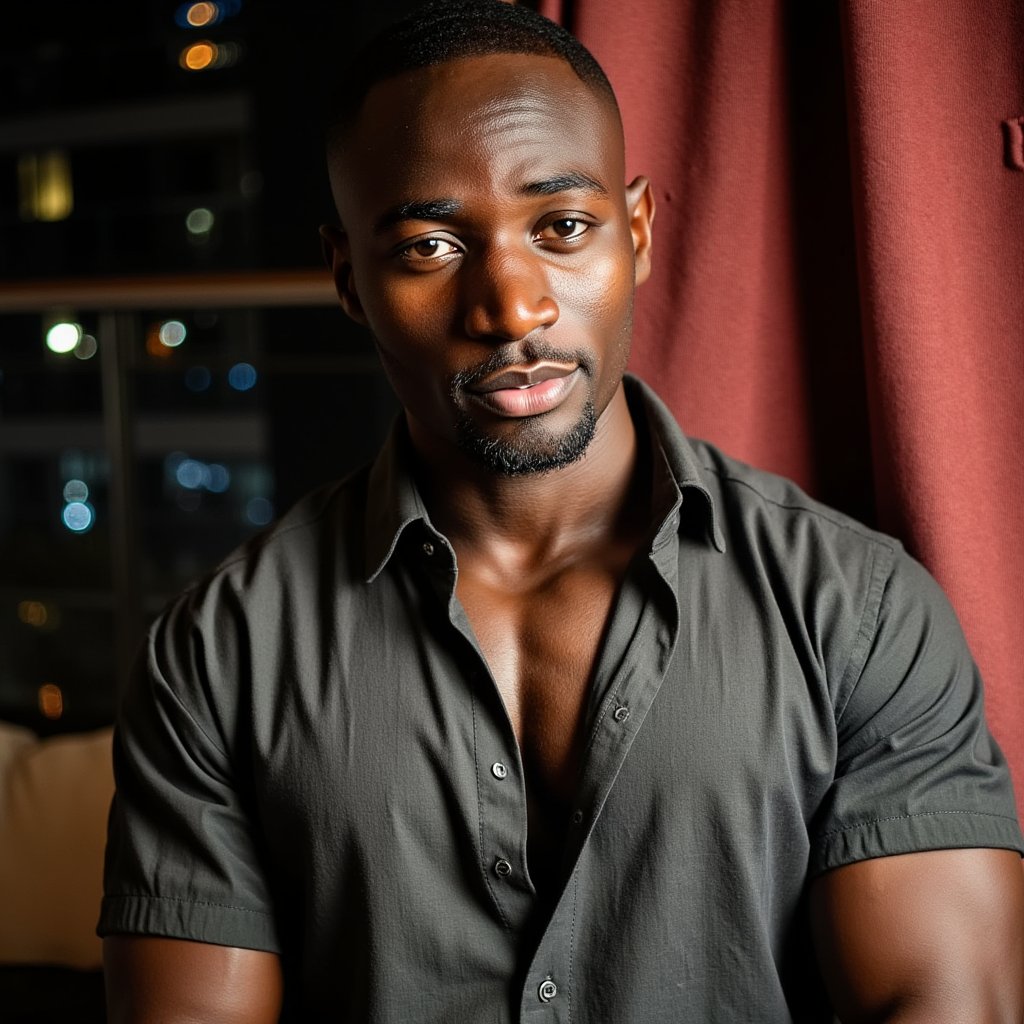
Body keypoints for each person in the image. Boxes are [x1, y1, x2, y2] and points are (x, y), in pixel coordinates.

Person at [99, 2, 1024, 1021]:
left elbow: (941, 1002)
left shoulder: (859, 611)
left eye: (562, 227)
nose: (511, 306)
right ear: (348, 282)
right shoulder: (217, 651)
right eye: (430, 247)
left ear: (634, 234)